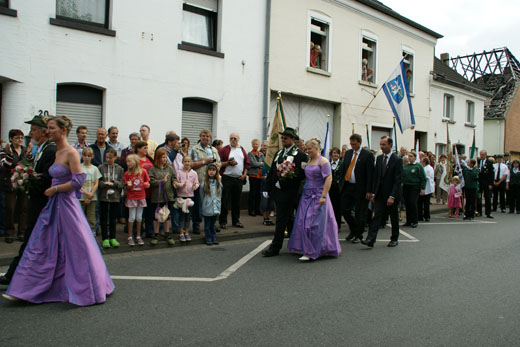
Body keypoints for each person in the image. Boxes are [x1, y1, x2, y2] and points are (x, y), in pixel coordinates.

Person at [2, 115, 114, 305]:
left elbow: (78, 181)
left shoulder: (71, 152)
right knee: (42, 246)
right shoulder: (56, 151)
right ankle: (26, 288)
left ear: (63, 131)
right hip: (53, 205)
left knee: (77, 248)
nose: (48, 131)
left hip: (67, 205)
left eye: (52, 128)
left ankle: (88, 286)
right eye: (48, 127)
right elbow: (54, 175)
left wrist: (55, 189)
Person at [0, 115, 57, 286]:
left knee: (31, 239)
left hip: (42, 203)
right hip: (36, 200)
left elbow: (47, 178)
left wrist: (28, 179)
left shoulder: (50, 150)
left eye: (33, 130)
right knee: (32, 239)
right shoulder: (40, 148)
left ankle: (14, 276)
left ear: (43, 132)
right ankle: (16, 275)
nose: (30, 133)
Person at [287, 139, 341, 261]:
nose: (307, 151)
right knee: (302, 220)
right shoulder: (309, 161)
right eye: (306, 149)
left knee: (313, 223)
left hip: (318, 195)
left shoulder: (324, 161)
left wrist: (323, 196)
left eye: (309, 148)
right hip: (306, 195)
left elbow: (328, 179)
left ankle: (311, 250)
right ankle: (305, 247)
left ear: (317, 148)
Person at [262, 127, 308, 257]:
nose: (283, 140)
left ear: (293, 139)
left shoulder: (301, 155)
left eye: (285, 138)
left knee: (281, 219)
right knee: (288, 219)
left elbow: (301, 175)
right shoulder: (279, 153)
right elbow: (272, 171)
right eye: (282, 138)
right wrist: (267, 187)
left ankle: (275, 247)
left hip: (290, 192)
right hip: (277, 191)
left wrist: (283, 183)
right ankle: (297, 243)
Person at [362, 136, 402, 248]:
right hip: (379, 194)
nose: (381, 147)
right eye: (380, 144)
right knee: (376, 216)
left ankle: (394, 238)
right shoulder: (379, 159)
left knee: (393, 218)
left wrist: (392, 196)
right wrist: (374, 193)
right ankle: (370, 239)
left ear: (390, 145)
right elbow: (377, 177)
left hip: (391, 195)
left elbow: (397, 180)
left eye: (384, 144)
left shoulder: (397, 160)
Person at [338, 134, 374, 242]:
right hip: (348, 186)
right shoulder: (348, 153)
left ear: (359, 143)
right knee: (344, 209)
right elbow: (344, 169)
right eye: (351, 144)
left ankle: (359, 235)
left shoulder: (367, 155)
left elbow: (370, 174)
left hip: (361, 188)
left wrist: (369, 190)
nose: (352, 146)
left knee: (360, 212)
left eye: (354, 144)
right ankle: (354, 229)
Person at [0, 130, 32, 243]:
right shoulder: (4, 151)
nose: (20, 140)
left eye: (21, 138)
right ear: (11, 139)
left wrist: (29, 155)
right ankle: (9, 232)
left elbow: (30, 164)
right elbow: (5, 167)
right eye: (17, 138)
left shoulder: (24, 150)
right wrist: (9, 154)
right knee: (10, 208)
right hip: (10, 183)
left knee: (23, 208)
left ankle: (22, 232)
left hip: (23, 183)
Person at [190, 129, 220, 234]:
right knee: (198, 204)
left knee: (212, 203)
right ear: (200, 137)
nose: (205, 138)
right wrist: (204, 162)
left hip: (213, 181)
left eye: (207, 136)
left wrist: (218, 165)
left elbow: (219, 163)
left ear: (210, 138)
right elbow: (191, 164)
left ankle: (212, 225)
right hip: (200, 180)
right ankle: (196, 225)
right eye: (203, 136)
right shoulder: (194, 149)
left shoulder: (214, 149)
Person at [218, 132, 250, 229]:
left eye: (235, 138)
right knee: (225, 201)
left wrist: (244, 175)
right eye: (231, 138)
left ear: (238, 139)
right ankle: (223, 222)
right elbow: (218, 163)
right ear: (229, 139)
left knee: (237, 202)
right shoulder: (224, 149)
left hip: (238, 179)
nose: (233, 139)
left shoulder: (242, 149)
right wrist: (228, 163)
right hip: (227, 178)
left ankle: (236, 221)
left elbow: (247, 164)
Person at [148, 148, 177, 246]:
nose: (165, 159)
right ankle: (156, 234)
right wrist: (161, 181)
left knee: (166, 216)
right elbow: (151, 182)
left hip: (167, 196)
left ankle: (167, 234)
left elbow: (174, 177)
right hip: (157, 197)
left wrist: (174, 182)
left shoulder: (169, 168)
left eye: (166, 157)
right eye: (163, 157)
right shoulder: (153, 169)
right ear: (158, 158)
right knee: (156, 216)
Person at [98, 147, 124, 248]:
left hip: (115, 196)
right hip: (103, 196)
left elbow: (122, 183)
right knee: (104, 218)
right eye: (106, 157)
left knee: (113, 218)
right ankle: (105, 238)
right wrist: (104, 183)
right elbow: (98, 181)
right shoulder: (101, 167)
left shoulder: (119, 169)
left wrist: (113, 183)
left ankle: (113, 237)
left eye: (110, 158)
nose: (108, 160)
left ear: (115, 158)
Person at [124, 154, 149, 246]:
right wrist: (128, 186)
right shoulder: (127, 174)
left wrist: (146, 185)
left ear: (135, 161)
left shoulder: (143, 171)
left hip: (141, 197)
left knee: (139, 217)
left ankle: (138, 236)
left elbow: (147, 182)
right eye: (127, 161)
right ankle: (130, 237)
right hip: (132, 197)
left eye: (129, 161)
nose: (127, 163)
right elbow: (127, 187)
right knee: (131, 217)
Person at [175, 156, 199, 242]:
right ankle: (181, 233)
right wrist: (182, 185)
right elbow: (176, 183)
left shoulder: (194, 173)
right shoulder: (178, 172)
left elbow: (197, 183)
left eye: (189, 161)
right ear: (182, 162)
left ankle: (187, 232)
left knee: (188, 215)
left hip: (190, 196)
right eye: (185, 161)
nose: (187, 163)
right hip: (181, 196)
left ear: (191, 162)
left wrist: (195, 186)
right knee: (182, 215)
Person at [79, 147, 102, 236]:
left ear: (92, 156)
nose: (87, 158)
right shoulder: (79, 167)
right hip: (81, 196)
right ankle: (81, 232)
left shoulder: (95, 168)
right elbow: (78, 184)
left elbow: (96, 183)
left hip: (92, 197)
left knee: (91, 217)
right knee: (80, 216)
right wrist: (86, 193)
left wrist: (91, 194)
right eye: (85, 155)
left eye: (89, 156)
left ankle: (91, 232)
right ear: (82, 156)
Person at [401, 152, 426, 228]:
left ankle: (415, 220)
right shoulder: (405, 166)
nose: (409, 158)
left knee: (413, 202)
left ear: (415, 157)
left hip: (414, 187)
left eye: (411, 156)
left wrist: (422, 188)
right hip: (406, 186)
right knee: (407, 204)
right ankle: (408, 221)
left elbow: (423, 177)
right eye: (409, 156)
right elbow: (402, 176)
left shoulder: (418, 166)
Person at [135, 140, 154, 237]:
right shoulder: (135, 159)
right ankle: (137, 232)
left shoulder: (149, 158)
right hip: (138, 190)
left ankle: (149, 230)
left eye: (147, 147)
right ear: (138, 149)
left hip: (149, 189)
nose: (147, 149)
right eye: (144, 148)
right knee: (139, 212)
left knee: (149, 212)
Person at [200, 163, 222, 245]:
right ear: (207, 172)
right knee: (207, 225)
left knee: (213, 225)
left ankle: (214, 238)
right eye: (210, 170)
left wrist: (218, 206)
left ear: (216, 172)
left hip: (215, 206)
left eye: (213, 170)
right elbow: (202, 196)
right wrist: (204, 205)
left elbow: (219, 196)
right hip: (207, 207)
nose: (211, 172)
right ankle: (208, 238)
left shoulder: (218, 183)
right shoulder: (204, 183)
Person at [247, 138, 264, 216]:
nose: (255, 145)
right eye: (254, 144)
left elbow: (264, 163)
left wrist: (259, 163)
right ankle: (251, 210)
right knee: (252, 194)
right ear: (252, 145)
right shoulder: (250, 154)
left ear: (259, 145)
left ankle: (257, 210)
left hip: (260, 176)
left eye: (256, 144)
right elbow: (253, 164)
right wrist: (260, 163)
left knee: (258, 194)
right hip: (253, 175)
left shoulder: (261, 153)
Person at [328, 147, 343, 230]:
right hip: (329, 188)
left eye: (337, 153)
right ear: (331, 154)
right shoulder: (327, 164)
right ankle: (330, 225)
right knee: (330, 207)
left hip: (338, 189)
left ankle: (338, 225)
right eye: (334, 153)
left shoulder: (342, 164)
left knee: (337, 208)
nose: (335, 154)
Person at [477, 150, 495, 218]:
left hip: (487, 183)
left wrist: (491, 184)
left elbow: (491, 174)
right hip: (479, 183)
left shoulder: (489, 163)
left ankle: (488, 213)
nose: (481, 156)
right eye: (480, 154)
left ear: (485, 155)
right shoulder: (478, 162)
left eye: (482, 154)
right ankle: (479, 211)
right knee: (479, 197)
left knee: (487, 198)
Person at [418, 157, 434, 222]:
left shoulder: (429, 168)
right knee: (420, 203)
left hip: (427, 188)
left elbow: (426, 177)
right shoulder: (424, 168)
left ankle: (427, 216)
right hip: (422, 187)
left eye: (421, 162)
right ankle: (420, 216)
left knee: (426, 204)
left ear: (424, 162)